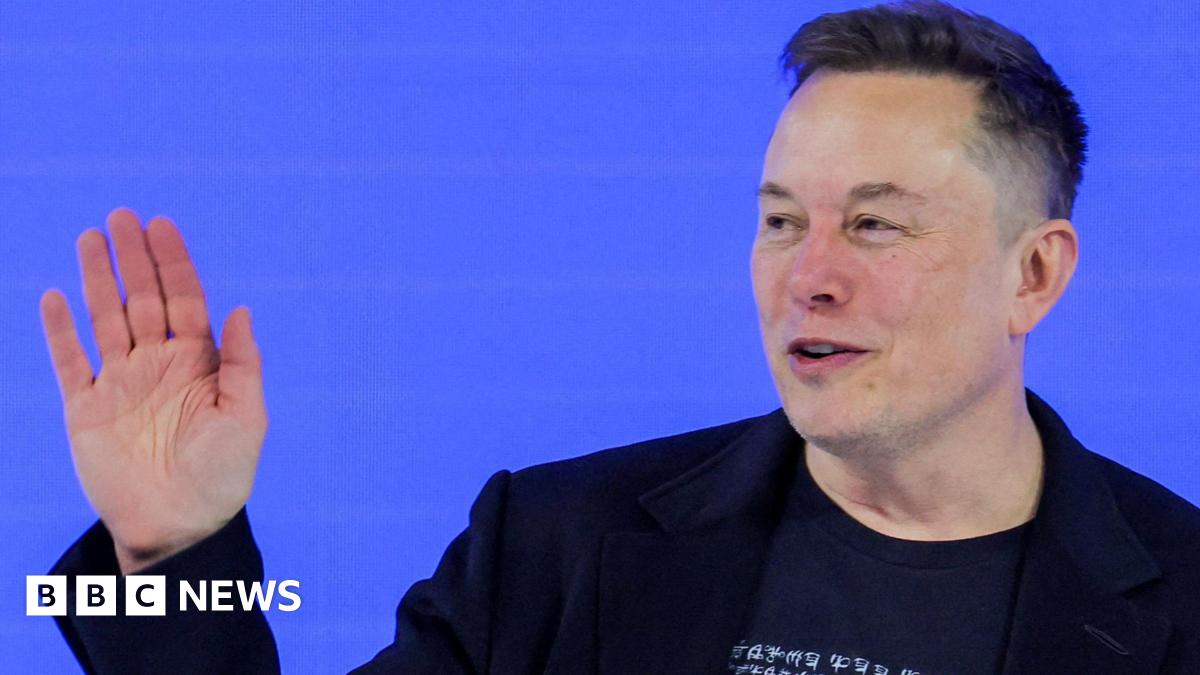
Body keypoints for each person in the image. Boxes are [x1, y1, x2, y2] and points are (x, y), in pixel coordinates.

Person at [39, 1, 1200, 673]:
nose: (810, 277)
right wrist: (169, 556)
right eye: (781, 221)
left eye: (877, 225)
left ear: (1034, 274)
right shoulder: (552, 545)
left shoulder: (1185, 598)